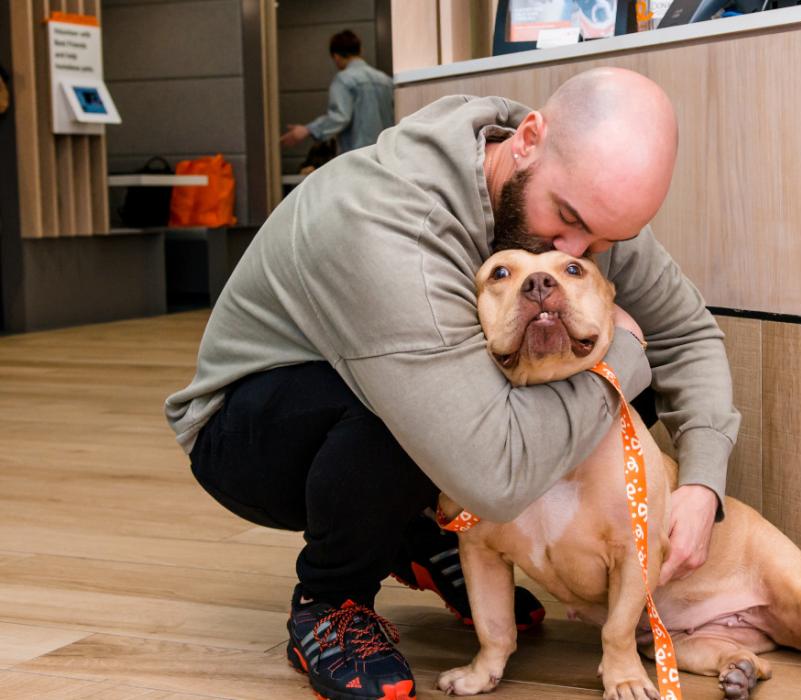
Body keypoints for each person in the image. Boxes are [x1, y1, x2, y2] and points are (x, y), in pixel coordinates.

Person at [165, 67, 740, 700]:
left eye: (603, 241)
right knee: (428, 412)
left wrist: (703, 481)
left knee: (600, 370)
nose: (576, 246)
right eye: (568, 220)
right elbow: (492, 475)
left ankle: (422, 535)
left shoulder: (586, 202)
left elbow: (688, 334)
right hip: (252, 434)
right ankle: (330, 599)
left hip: (420, 407)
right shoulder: (389, 222)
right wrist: (620, 361)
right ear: (527, 138)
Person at [279, 29, 394, 155]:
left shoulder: (344, 79)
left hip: (359, 158)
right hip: (386, 154)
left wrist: (308, 130)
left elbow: (340, 117)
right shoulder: (386, 80)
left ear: (336, 56)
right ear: (360, 51)